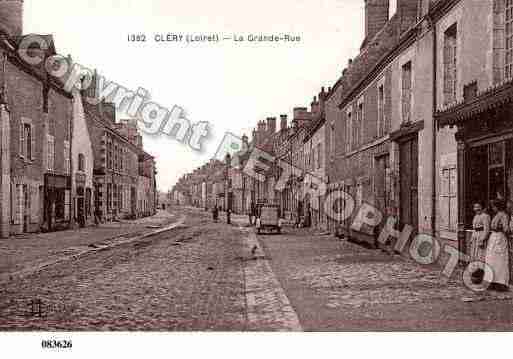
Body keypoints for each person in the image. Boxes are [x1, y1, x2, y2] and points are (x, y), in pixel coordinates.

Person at [484, 199, 510, 291]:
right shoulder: (497, 215)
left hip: (500, 238)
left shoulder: (503, 215)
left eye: (494, 206)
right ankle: (491, 281)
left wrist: (501, 228)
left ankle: (501, 283)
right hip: (493, 237)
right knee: (491, 259)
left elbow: (506, 229)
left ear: (498, 206)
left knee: (500, 260)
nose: (493, 208)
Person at [470, 202, 490, 284]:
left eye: (478, 207)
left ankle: (481, 275)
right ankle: (475, 275)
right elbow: (474, 228)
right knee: (475, 256)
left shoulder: (485, 216)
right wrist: (472, 238)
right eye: (475, 207)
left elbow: (486, 229)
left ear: (482, 207)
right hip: (475, 236)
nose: (477, 209)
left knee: (481, 256)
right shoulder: (476, 216)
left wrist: (483, 239)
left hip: (481, 236)